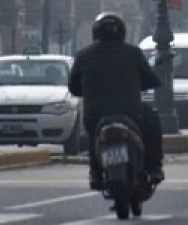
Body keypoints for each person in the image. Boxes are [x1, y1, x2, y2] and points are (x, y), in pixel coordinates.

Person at [69, 12, 165, 189]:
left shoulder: (83, 56)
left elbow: (73, 87)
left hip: (95, 115)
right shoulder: (133, 53)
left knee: (93, 135)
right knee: (152, 120)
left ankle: (95, 172)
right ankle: (154, 167)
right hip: (131, 113)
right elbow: (151, 79)